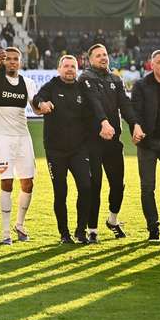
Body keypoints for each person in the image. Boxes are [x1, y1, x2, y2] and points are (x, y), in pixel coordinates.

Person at [0, 47, 39, 244]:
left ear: (20, 62)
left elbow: (36, 108)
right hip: (2, 138)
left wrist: (43, 106)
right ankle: (5, 232)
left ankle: (19, 225)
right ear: (3, 62)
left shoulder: (28, 83)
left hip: (23, 137)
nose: (12, 62)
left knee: (28, 183)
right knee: (7, 183)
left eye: (15, 59)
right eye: (8, 59)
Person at [80, 44, 144, 241]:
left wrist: (135, 124)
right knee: (95, 185)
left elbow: (125, 105)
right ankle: (92, 230)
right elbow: (94, 102)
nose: (103, 58)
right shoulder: (85, 78)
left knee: (118, 185)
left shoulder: (116, 79)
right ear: (90, 60)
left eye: (105, 54)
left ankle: (113, 221)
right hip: (92, 142)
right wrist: (103, 122)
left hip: (113, 142)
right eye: (98, 55)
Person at [32, 55, 97, 244]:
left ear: (77, 69)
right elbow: (37, 98)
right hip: (55, 151)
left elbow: (93, 111)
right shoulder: (51, 86)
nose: (69, 69)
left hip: (79, 149)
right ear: (59, 69)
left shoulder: (82, 88)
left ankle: (80, 231)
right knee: (61, 192)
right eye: (66, 66)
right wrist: (42, 104)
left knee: (86, 187)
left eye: (73, 66)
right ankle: (64, 233)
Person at [131, 50, 160, 242]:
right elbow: (135, 111)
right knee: (148, 187)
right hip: (147, 143)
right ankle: (152, 228)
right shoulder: (141, 85)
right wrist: (136, 126)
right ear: (152, 64)